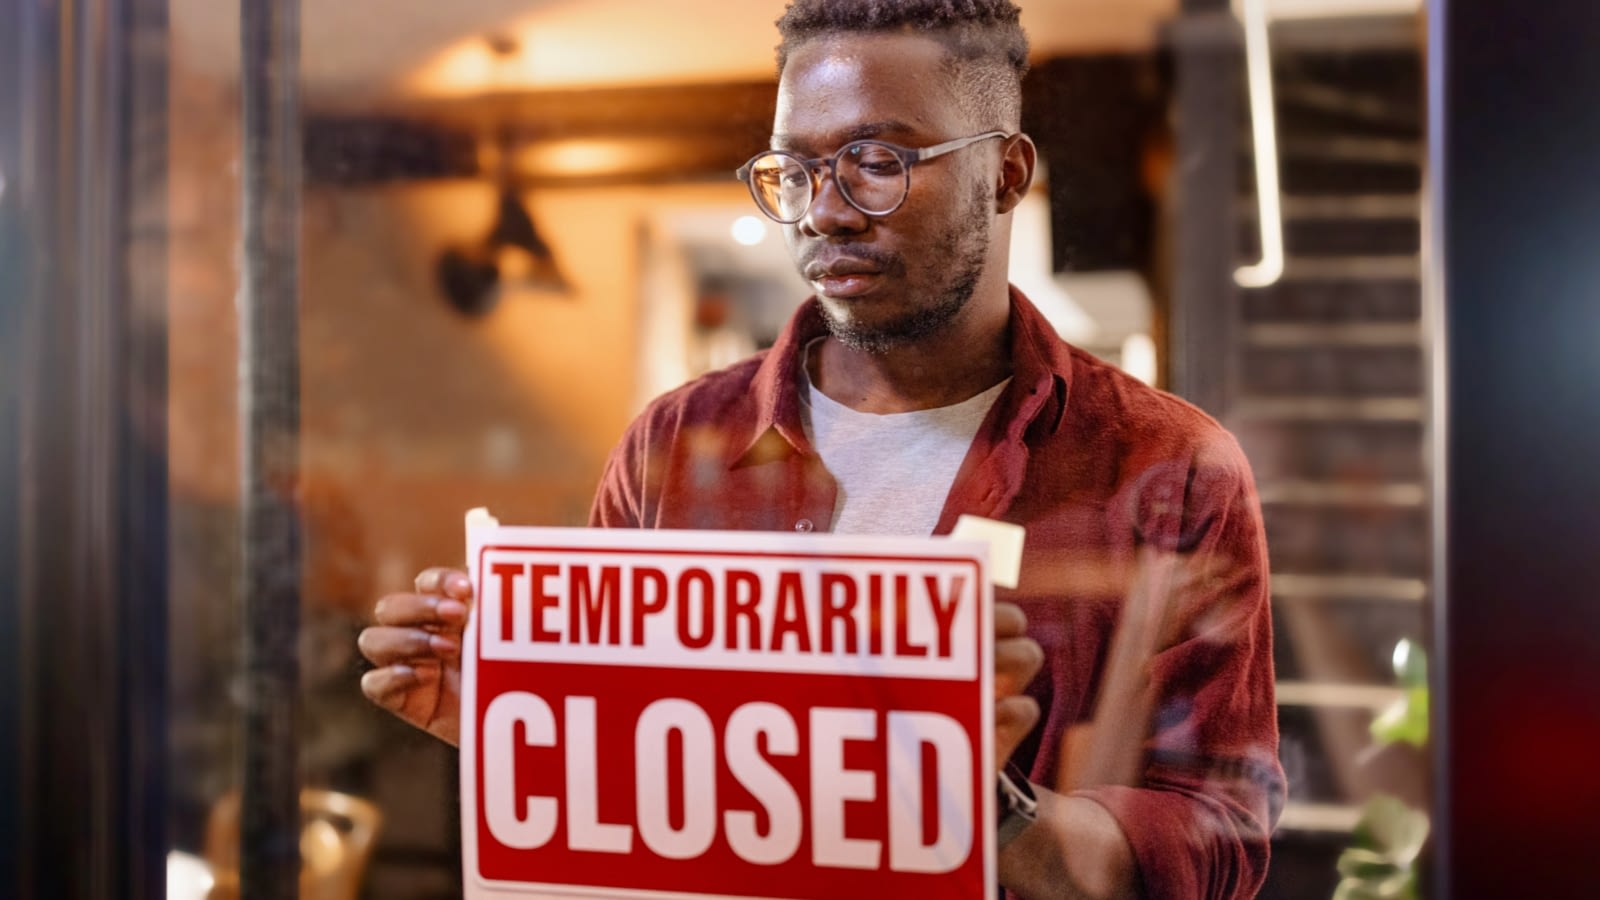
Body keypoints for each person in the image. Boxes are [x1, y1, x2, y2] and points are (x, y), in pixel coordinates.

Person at [358, 2, 1284, 897]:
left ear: (1005, 173)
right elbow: (660, 801)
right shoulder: (677, 444)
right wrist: (527, 724)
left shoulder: (1170, 468)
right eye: (795, 170)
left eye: (877, 162)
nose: (825, 212)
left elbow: (1210, 846)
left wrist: (979, 806)